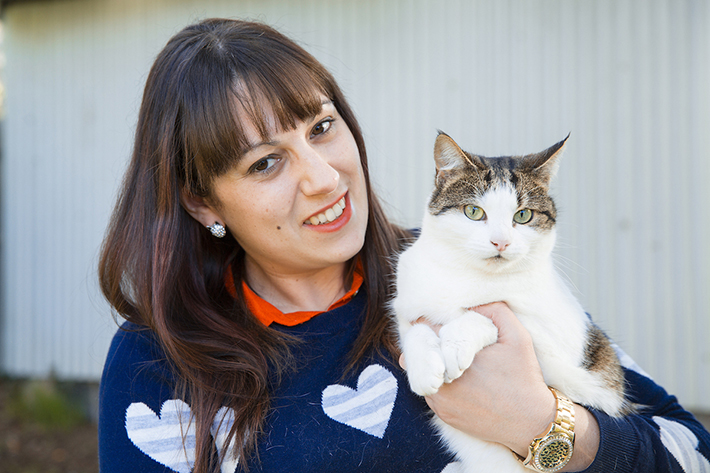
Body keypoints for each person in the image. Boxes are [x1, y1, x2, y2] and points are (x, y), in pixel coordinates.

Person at [97, 18, 710, 473]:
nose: (323, 177)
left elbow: (688, 449)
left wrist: (542, 424)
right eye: (265, 164)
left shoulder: (470, 267)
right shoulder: (155, 360)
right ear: (202, 202)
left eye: (322, 127)